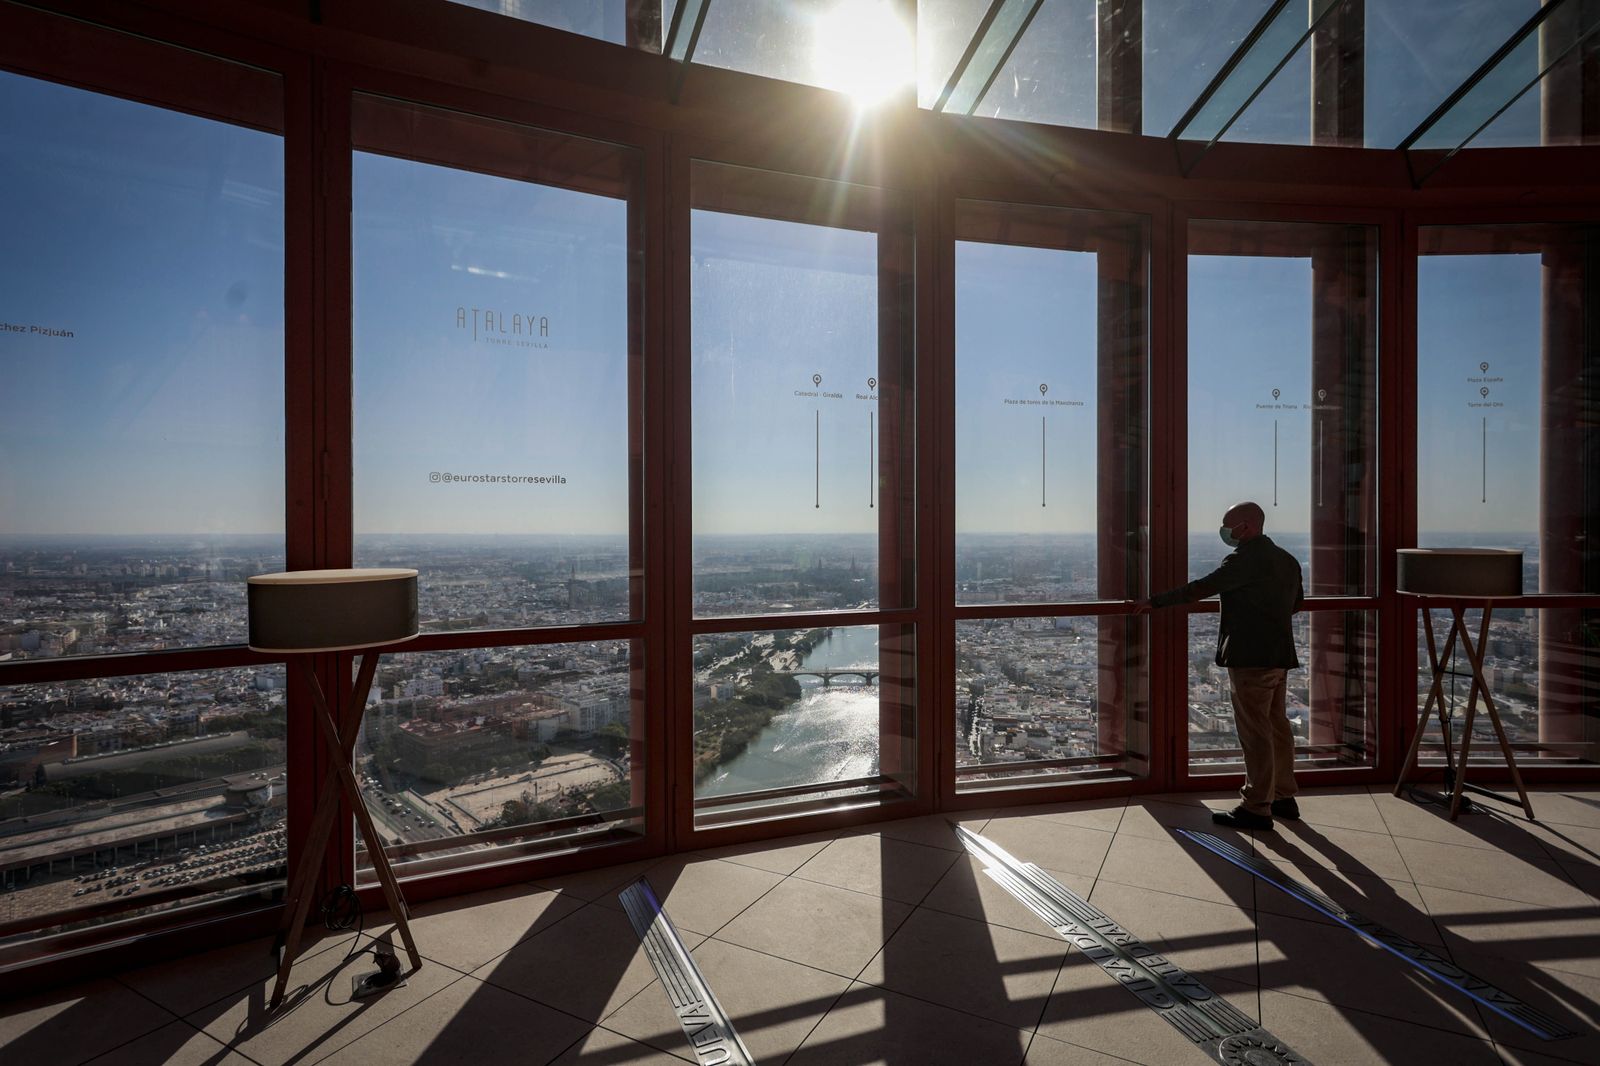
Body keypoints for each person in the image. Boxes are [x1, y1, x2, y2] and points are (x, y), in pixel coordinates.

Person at [1145, 501, 1304, 831]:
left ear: (1246, 527)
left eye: (1228, 525)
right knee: (1276, 725)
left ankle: (1257, 806)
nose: (1225, 532)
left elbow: (1202, 587)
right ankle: (1283, 795)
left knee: (1255, 731)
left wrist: (1155, 601)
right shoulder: (1287, 560)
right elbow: (1297, 604)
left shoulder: (1244, 558)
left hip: (1250, 657)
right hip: (1279, 654)